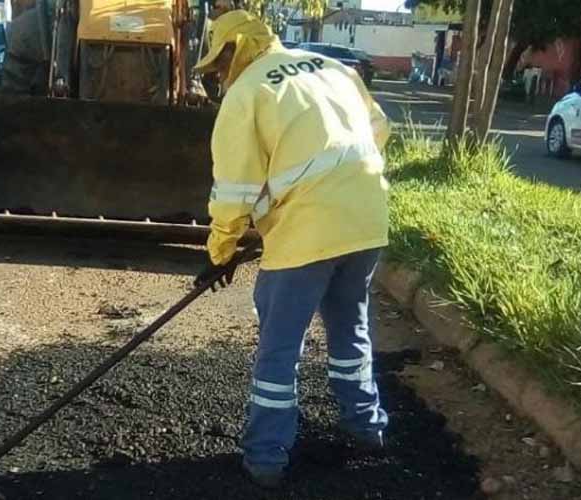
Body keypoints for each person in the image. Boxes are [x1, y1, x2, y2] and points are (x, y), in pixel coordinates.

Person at [191, 10, 392, 489]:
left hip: (306, 235)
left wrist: (218, 253)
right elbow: (377, 129)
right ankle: (368, 428)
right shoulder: (333, 68)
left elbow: (235, 191)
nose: (219, 76)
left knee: (279, 350)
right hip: (366, 219)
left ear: (235, 52)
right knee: (351, 330)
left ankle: (265, 459)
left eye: (219, 65)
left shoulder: (247, 94)